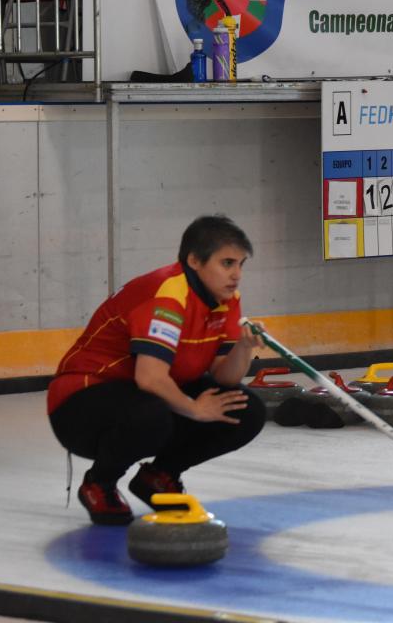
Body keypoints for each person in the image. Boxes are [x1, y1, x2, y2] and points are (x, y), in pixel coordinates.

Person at [47, 215, 267, 524]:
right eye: (227, 263)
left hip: (140, 395)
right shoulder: (167, 294)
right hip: (80, 403)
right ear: (194, 260)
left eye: (241, 264)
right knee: (152, 414)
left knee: (245, 409)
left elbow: (224, 377)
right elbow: (150, 378)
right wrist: (195, 409)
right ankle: (100, 482)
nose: (236, 275)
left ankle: (160, 476)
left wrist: (243, 347)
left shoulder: (227, 300)